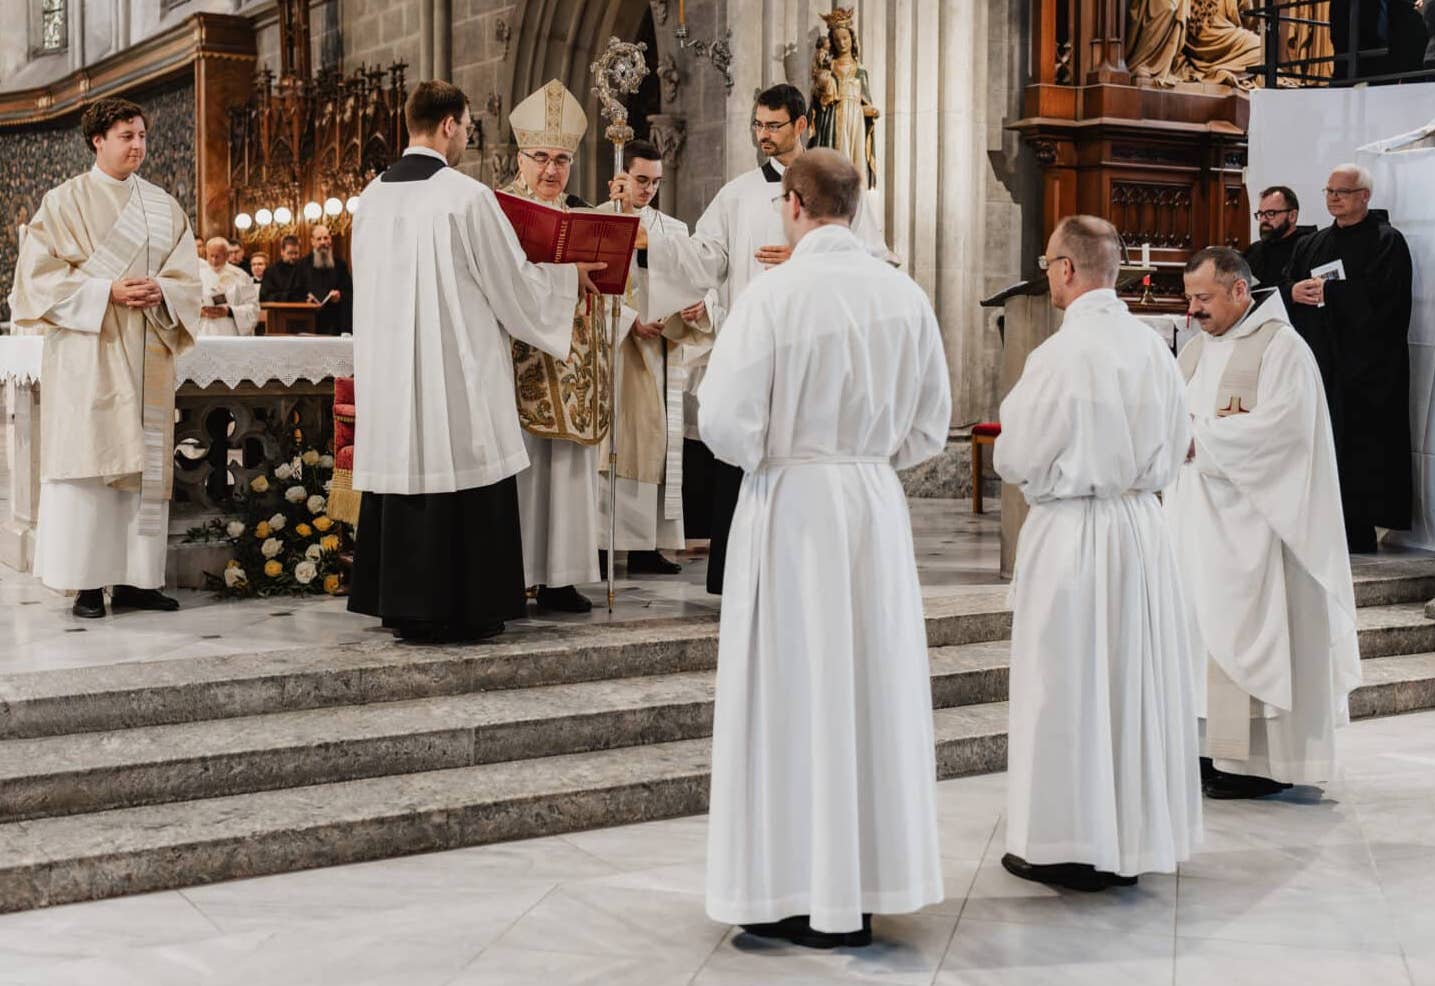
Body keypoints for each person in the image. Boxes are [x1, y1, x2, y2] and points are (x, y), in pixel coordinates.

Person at [699, 149, 950, 948]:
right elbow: (929, 426)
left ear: (794, 205)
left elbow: (724, 421)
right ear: (855, 205)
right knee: (866, 690)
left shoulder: (772, 295)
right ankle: (862, 886)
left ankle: (785, 885)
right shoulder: (904, 295)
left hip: (792, 505)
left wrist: (779, 453)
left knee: (788, 691)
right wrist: (864, 458)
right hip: (871, 504)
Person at [346, 80, 603, 643]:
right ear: (448, 125)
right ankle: (465, 608)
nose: (466, 136)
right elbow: (514, 285)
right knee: (462, 460)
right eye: (466, 127)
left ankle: (405, 606)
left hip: (392, 372)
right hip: (454, 370)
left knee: (406, 470)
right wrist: (569, 278)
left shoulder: (372, 198)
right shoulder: (466, 197)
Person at [995, 215, 1201, 891]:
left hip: (1076, 533)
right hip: (1141, 529)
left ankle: (1068, 843)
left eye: (1047, 264)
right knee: (1129, 685)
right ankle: (1130, 837)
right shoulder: (1153, 348)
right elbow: (1180, 442)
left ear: (1065, 268)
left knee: (1066, 685)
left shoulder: (1060, 354)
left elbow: (1017, 454)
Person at [641, 82, 889, 594]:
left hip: (817, 360)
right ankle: (738, 578)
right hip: (756, 355)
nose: (763, 136)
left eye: (773, 126)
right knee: (743, 464)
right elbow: (706, 256)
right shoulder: (737, 195)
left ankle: (803, 578)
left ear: (802, 124)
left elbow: (876, 261)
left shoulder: (841, 191)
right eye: (757, 125)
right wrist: (654, 247)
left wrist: (811, 253)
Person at [1167, 247, 1361, 800]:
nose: (1193, 310)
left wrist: (1200, 443)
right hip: (1198, 527)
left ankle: (1258, 766)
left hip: (1259, 529)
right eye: (1189, 298)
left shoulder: (1283, 349)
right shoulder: (1197, 351)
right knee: (1199, 638)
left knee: (1251, 634)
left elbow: (1285, 432)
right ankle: (1209, 752)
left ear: (1239, 290)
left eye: (1203, 298)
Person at [9, 97, 200, 618]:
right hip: (88, 354)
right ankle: (87, 584)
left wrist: (164, 290)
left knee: (142, 474)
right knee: (91, 467)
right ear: (97, 140)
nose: (138, 145)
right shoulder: (64, 202)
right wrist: (105, 291)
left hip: (145, 352)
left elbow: (187, 277)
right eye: (126, 136)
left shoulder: (163, 206)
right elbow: (35, 280)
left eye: (142, 135)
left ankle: (137, 581)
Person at [501, 79, 607, 613]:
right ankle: (515, 575)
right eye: (541, 157)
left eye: (561, 159)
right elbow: (505, 281)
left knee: (566, 470)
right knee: (525, 467)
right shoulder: (499, 213)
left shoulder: (579, 211)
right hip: (519, 362)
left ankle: (560, 578)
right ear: (519, 158)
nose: (550, 170)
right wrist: (568, 278)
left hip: (573, 365)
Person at [1285, 164, 1413, 553]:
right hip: (1321, 359)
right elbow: (1288, 281)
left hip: (1367, 369)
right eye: (1329, 191)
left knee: (1361, 451)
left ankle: (1358, 532)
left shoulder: (1387, 241)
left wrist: (1331, 293)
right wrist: (1295, 292)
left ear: (1364, 196)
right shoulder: (1312, 243)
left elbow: (1387, 299)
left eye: (1342, 191)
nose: (1333, 198)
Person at [602, 138, 707, 578]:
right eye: (641, 180)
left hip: (660, 351)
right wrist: (629, 321)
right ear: (622, 176)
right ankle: (606, 544)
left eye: (656, 182)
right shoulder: (601, 220)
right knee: (617, 445)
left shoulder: (675, 230)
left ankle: (647, 545)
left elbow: (696, 281)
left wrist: (694, 307)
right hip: (614, 354)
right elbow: (586, 291)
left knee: (655, 445)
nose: (648, 190)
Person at [1243, 185, 1313, 289]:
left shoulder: (1309, 248)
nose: (1263, 220)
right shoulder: (1254, 250)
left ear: (1292, 216)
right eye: (1261, 214)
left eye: (1271, 213)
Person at [197, 235, 260, 337]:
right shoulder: (197, 275)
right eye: (211, 256)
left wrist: (229, 311)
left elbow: (253, 309)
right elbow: (185, 305)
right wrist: (199, 311)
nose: (214, 260)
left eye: (217, 256)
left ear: (227, 255)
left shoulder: (241, 276)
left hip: (230, 330)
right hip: (204, 330)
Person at [300, 224, 352, 334]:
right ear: (312, 241)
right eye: (319, 239)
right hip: (310, 322)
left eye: (326, 238)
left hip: (335, 322)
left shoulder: (340, 265)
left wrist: (340, 295)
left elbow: (349, 292)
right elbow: (295, 292)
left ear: (330, 240)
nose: (323, 242)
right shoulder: (302, 265)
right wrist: (305, 299)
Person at [259, 235, 306, 302]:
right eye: (290, 253)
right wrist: (290, 296)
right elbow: (265, 296)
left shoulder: (304, 269)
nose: (293, 257)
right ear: (282, 252)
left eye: (296, 253)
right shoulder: (271, 271)